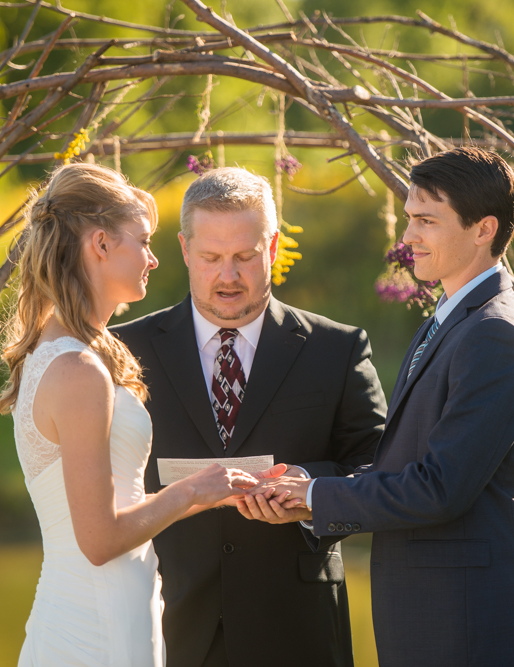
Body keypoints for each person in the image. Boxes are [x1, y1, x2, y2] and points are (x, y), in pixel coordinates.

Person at [244, 148, 514, 667]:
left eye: (425, 220)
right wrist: (305, 484)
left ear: (484, 229)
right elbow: (410, 462)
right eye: (410, 218)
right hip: (437, 615)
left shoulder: (495, 334)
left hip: (470, 621)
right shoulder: (452, 318)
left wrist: (318, 498)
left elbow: (440, 487)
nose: (407, 236)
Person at [110, 167, 387, 667]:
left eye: (244, 257)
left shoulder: (337, 349)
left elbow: (378, 465)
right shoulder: (124, 349)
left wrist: (310, 489)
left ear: (273, 248)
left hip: (298, 629)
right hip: (164, 623)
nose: (228, 277)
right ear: (185, 250)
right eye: (212, 258)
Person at [0, 163, 257, 667]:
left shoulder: (63, 354)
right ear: (100, 244)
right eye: (143, 240)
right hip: (94, 625)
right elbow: (99, 539)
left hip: (107, 609)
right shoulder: (77, 369)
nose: (154, 259)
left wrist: (216, 489)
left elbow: (112, 507)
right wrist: (193, 490)